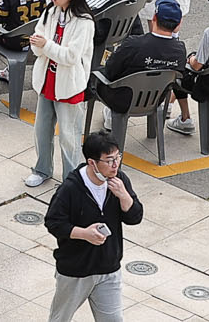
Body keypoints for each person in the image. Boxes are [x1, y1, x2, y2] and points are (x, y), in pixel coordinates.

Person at [43, 130, 143, 322]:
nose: (115, 165)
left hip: (108, 268)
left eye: (118, 158)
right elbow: (53, 222)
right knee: (60, 319)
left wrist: (124, 196)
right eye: (109, 160)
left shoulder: (119, 181)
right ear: (92, 162)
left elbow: (135, 217)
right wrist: (84, 234)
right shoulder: (71, 188)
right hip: (75, 271)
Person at [23, 0, 96, 188]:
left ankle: (71, 180)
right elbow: (38, 45)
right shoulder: (51, 12)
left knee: (69, 136)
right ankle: (42, 169)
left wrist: (46, 45)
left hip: (70, 86)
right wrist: (41, 45)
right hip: (47, 81)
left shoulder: (84, 23)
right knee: (41, 129)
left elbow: (71, 57)